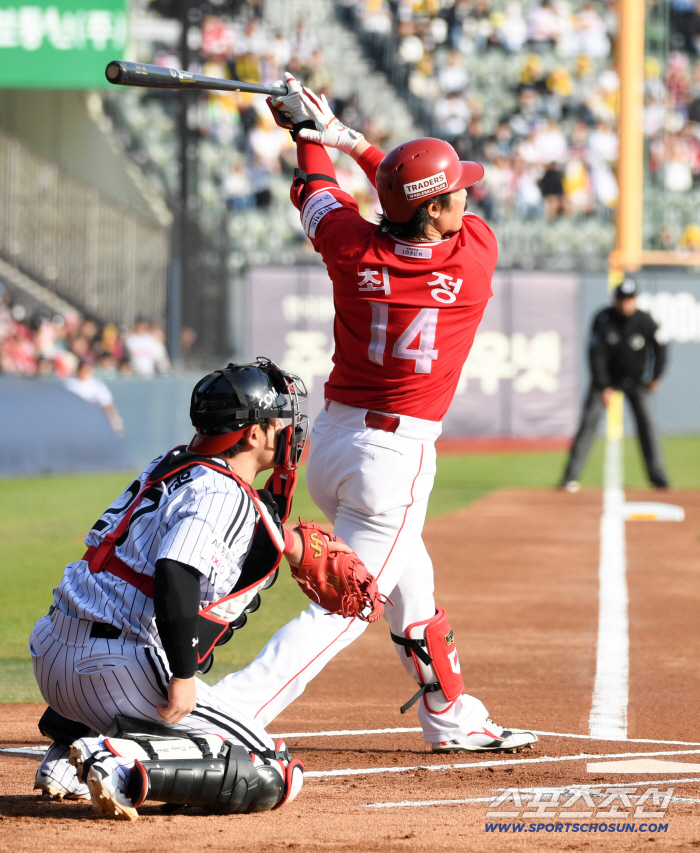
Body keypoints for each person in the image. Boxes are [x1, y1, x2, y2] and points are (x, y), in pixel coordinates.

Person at [218, 74, 539, 755]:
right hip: (393, 460)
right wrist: (353, 142)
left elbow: (316, 192)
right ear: (437, 209)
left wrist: (311, 139)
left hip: (332, 444)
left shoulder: (350, 247)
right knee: (349, 605)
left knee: (409, 584)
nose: (466, 198)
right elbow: (392, 189)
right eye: (457, 192)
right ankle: (230, 708)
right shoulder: (474, 259)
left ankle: (453, 716)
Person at [30, 358, 352, 819]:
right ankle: (119, 764)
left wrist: (289, 545)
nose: (287, 428)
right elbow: (175, 573)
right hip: (113, 668)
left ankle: (64, 760)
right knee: (271, 770)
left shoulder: (172, 463)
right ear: (253, 434)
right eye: (277, 419)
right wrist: (182, 676)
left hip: (53, 650)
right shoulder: (225, 491)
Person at [561, 277, 669, 491]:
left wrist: (656, 376)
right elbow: (595, 354)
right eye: (622, 299)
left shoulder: (645, 321)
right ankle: (570, 477)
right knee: (588, 424)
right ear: (615, 299)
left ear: (635, 299)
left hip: (636, 382)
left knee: (647, 427)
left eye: (630, 299)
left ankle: (659, 479)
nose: (626, 303)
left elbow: (661, 348)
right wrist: (604, 385)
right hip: (605, 382)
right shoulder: (603, 319)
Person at [64, 360, 125, 436]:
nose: (87, 372)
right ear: (79, 369)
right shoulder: (71, 384)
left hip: (93, 422)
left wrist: (115, 421)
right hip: (76, 421)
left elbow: (107, 404)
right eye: (85, 369)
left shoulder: (97, 384)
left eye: (89, 369)